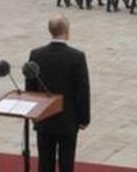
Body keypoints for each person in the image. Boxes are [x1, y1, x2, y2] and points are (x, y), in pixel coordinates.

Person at [26, 15, 91, 172]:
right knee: (66, 162)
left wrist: (34, 115)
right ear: (67, 31)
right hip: (68, 119)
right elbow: (82, 90)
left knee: (45, 162)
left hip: (44, 117)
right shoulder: (77, 57)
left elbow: (31, 87)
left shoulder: (36, 54)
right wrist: (84, 119)